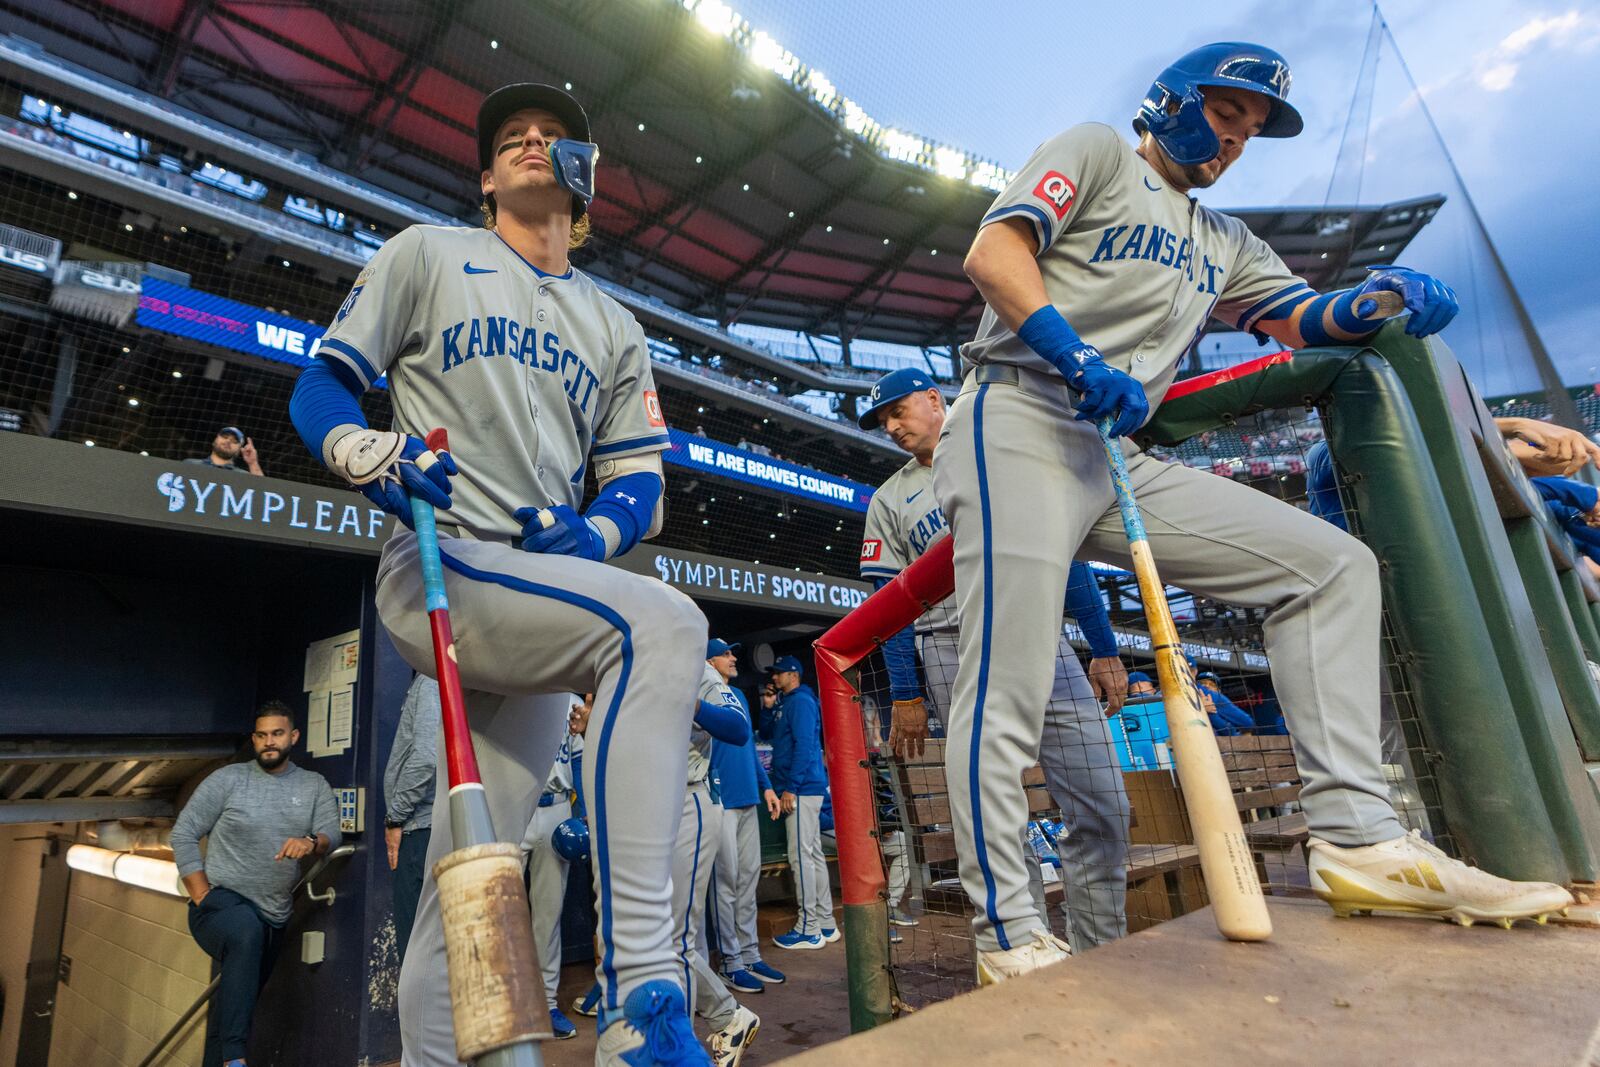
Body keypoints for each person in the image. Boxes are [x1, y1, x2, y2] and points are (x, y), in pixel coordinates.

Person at [938, 41, 1571, 983]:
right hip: (1020, 416)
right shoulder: (1101, 149)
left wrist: (1383, 297)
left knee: (1330, 567)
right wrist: (1075, 355)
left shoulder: (1225, 240)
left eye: (1250, 133)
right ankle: (1010, 934)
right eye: (1225, 116)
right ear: (1176, 101)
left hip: (1116, 452)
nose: (1234, 142)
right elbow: (994, 250)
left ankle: (1358, 837)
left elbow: (1302, 320)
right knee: (1010, 684)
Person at [287, 81, 714, 1066]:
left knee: (473, 877)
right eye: (509, 141)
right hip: (440, 559)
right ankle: (641, 998)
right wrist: (374, 455)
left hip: (531, 589)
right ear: (484, 176)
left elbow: (641, 482)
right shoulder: (427, 252)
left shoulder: (613, 325)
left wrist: (597, 535)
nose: (529, 144)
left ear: (584, 174)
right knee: (663, 626)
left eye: (552, 136)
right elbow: (324, 381)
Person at [857, 368, 1132, 952]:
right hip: (949, 646)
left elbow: (1070, 560)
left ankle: (1101, 947)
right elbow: (890, 606)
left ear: (935, 399)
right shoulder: (888, 499)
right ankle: (1028, 948)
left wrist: (1104, 647)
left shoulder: (1000, 452)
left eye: (897, 410)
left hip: (1038, 631)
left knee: (1105, 802)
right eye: (883, 421)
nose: (891, 426)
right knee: (991, 815)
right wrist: (905, 693)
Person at [171, 701, 341, 1067]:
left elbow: (332, 833)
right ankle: (235, 1057)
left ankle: (221, 1054)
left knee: (237, 999)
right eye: (262, 735)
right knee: (244, 931)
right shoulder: (228, 780)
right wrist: (200, 893)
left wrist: (311, 843)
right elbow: (184, 832)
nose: (269, 742)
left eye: (277, 734)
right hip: (219, 908)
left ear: (293, 737)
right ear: (254, 739)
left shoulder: (313, 786)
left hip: (273, 918)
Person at [674, 646, 761, 1064]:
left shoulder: (701, 675)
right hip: (660, 808)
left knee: (677, 938)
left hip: (690, 800)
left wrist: (689, 703)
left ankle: (714, 1024)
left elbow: (738, 727)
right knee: (665, 936)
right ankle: (721, 1018)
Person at [703, 639, 786, 993]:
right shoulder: (702, 692)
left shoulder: (736, 695)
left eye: (733, 652)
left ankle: (750, 953)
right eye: (726, 653)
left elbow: (749, 746)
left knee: (748, 879)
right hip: (719, 797)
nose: (733, 657)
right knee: (726, 883)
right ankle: (730, 961)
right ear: (709, 660)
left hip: (748, 796)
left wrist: (766, 785)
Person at [763, 655, 834, 948]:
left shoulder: (801, 701)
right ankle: (826, 923)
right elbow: (768, 735)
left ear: (794, 675)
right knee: (812, 855)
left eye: (779, 673)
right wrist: (768, 709)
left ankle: (809, 928)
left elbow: (807, 746)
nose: (775, 678)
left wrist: (791, 787)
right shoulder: (786, 702)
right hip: (802, 787)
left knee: (801, 857)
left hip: (802, 788)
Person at [521, 717, 584, 1040]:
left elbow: (579, 758)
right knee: (500, 914)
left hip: (557, 807)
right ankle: (506, 1009)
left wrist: (583, 809)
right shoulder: (512, 687)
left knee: (548, 915)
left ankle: (545, 1004)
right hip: (514, 806)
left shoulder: (572, 703)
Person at [382, 674, 439, 963]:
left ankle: (417, 1011)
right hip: (434, 825)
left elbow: (427, 757)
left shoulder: (430, 680)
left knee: (416, 950)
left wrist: (395, 817)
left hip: (420, 829)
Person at [185, 426, 263, 476]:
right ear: (214, 441)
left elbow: (263, 492)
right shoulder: (190, 464)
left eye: (234, 441)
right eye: (225, 437)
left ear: (239, 450)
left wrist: (253, 463)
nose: (228, 441)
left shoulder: (243, 475)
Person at [1196, 671, 1256, 736]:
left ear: (1218, 691)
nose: (1207, 686)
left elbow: (1231, 731)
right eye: (1203, 683)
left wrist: (1211, 714)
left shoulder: (1220, 701)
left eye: (1212, 685)